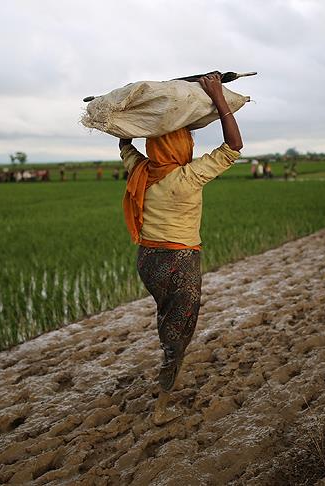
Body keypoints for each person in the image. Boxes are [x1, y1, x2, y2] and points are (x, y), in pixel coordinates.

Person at [119, 72, 242, 426]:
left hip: (148, 261)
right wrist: (218, 96)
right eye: (185, 140)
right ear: (181, 148)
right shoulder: (188, 177)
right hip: (179, 261)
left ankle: (169, 368)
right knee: (178, 332)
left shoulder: (141, 170)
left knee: (166, 318)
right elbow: (233, 146)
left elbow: (125, 146)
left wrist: (127, 114)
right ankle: (161, 403)